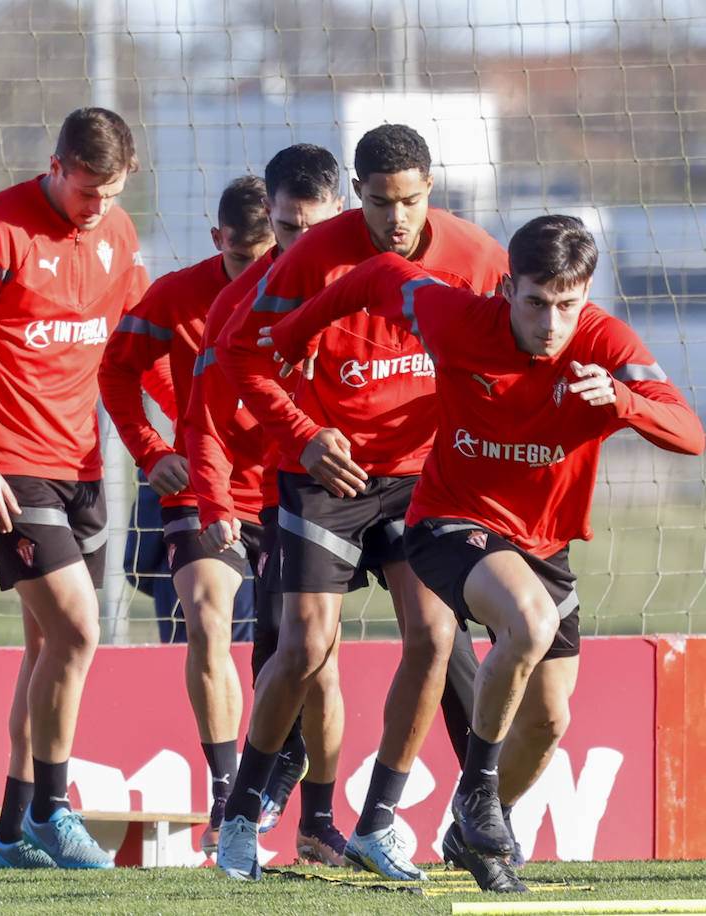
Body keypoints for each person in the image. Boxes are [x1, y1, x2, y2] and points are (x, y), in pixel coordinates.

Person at [259, 214, 704, 891]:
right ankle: (478, 793)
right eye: (534, 302)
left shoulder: (604, 341)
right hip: (447, 521)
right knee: (528, 623)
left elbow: (690, 432)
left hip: (542, 543)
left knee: (552, 717)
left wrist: (623, 400)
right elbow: (379, 275)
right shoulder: (454, 315)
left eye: (567, 304)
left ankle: (476, 828)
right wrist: (295, 333)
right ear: (505, 287)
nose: (551, 323)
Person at [214, 124, 509, 882]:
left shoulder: (477, 258)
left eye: (410, 200)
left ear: (430, 188)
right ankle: (241, 817)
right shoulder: (315, 255)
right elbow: (246, 357)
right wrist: (305, 433)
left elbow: (511, 355)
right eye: (381, 203)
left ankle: (379, 820)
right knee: (307, 649)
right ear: (359, 192)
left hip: (420, 477)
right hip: (326, 474)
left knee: (435, 639)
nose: (397, 218)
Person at [0, 107, 149, 870]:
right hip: (9, 467)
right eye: (86, 192)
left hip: (82, 465)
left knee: (48, 644)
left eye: (111, 193)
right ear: (55, 167)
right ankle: (54, 808)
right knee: (81, 631)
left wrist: (173, 430)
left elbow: (134, 346)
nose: (97, 208)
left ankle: (11, 834)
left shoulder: (118, 236)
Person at [99, 175, 273, 855]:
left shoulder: (308, 292)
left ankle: (304, 800)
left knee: (301, 647)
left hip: (291, 484)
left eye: (266, 259)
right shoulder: (174, 296)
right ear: (217, 240)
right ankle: (227, 793)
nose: (252, 275)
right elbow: (115, 372)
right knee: (207, 617)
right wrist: (150, 449)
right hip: (200, 484)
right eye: (239, 259)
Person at [184, 143, 348, 864]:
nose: (297, 247)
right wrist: (208, 494)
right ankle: (241, 798)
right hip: (273, 498)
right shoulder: (235, 305)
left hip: (370, 488)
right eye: (285, 231)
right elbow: (203, 415)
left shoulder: (379, 283)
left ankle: (323, 818)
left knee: (415, 646)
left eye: (312, 230)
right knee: (293, 648)